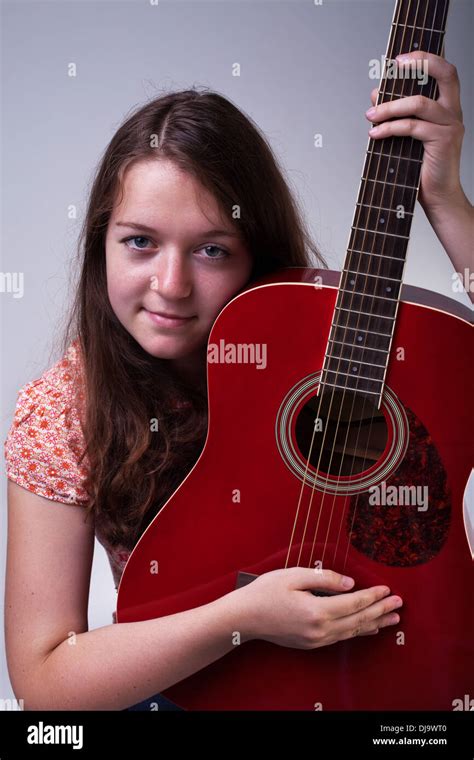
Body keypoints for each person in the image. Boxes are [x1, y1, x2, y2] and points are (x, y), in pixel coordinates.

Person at [4, 51, 473, 711]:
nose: (171, 286)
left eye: (211, 249)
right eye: (139, 242)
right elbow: (46, 682)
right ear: (99, 243)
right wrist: (243, 617)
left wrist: (445, 198)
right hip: (198, 691)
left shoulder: (337, 351)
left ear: (259, 253)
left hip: (401, 673)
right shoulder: (65, 411)